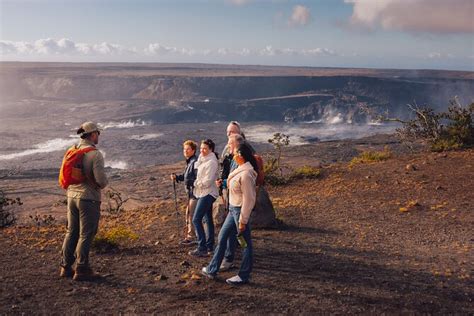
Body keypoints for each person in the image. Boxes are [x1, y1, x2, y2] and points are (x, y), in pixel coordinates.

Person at [202, 142, 257, 285]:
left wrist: (243, 220)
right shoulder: (240, 169)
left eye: (236, 153)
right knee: (222, 236)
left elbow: (249, 199)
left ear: (242, 155)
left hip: (239, 212)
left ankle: (243, 276)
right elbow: (236, 186)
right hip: (233, 210)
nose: (233, 155)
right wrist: (225, 183)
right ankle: (212, 268)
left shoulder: (246, 174)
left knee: (245, 244)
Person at [60, 121, 108, 281]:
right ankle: (82, 268)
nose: (98, 136)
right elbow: (101, 181)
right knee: (87, 233)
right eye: (98, 133)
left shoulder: (72, 150)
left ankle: (65, 267)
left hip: (71, 196)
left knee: (71, 231)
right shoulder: (95, 154)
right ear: (93, 134)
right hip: (88, 198)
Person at [189, 139, 219, 257]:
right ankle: (209, 246)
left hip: (208, 193)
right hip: (203, 193)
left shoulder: (212, 162)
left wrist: (195, 183)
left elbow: (207, 181)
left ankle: (202, 247)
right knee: (207, 219)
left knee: (196, 219)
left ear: (211, 149)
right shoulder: (202, 158)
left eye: (205, 148)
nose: (202, 150)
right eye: (201, 148)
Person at [171, 140, 198, 246]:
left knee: (191, 214)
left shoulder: (194, 162)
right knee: (189, 213)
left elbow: (195, 177)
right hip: (191, 193)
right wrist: (177, 177)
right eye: (184, 149)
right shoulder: (190, 161)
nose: (185, 151)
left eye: (188, 149)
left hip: (194, 193)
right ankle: (190, 235)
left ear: (193, 150)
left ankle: (192, 237)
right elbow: (186, 176)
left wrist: (191, 184)